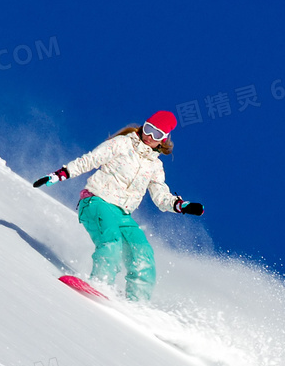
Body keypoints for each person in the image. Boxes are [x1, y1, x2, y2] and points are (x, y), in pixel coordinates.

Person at [33, 111, 204, 301]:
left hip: (123, 215)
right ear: (143, 126)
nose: (149, 137)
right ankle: (100, 282)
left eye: (156, 135)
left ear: (163, 140)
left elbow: (160, 195)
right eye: (148, 129)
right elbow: (89, 160)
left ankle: (137, 303)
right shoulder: (121, 144)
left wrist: (182, 205)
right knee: (112, 241)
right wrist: (60, 174)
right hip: (96, 200)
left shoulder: (155, 166)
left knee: (143, 254)